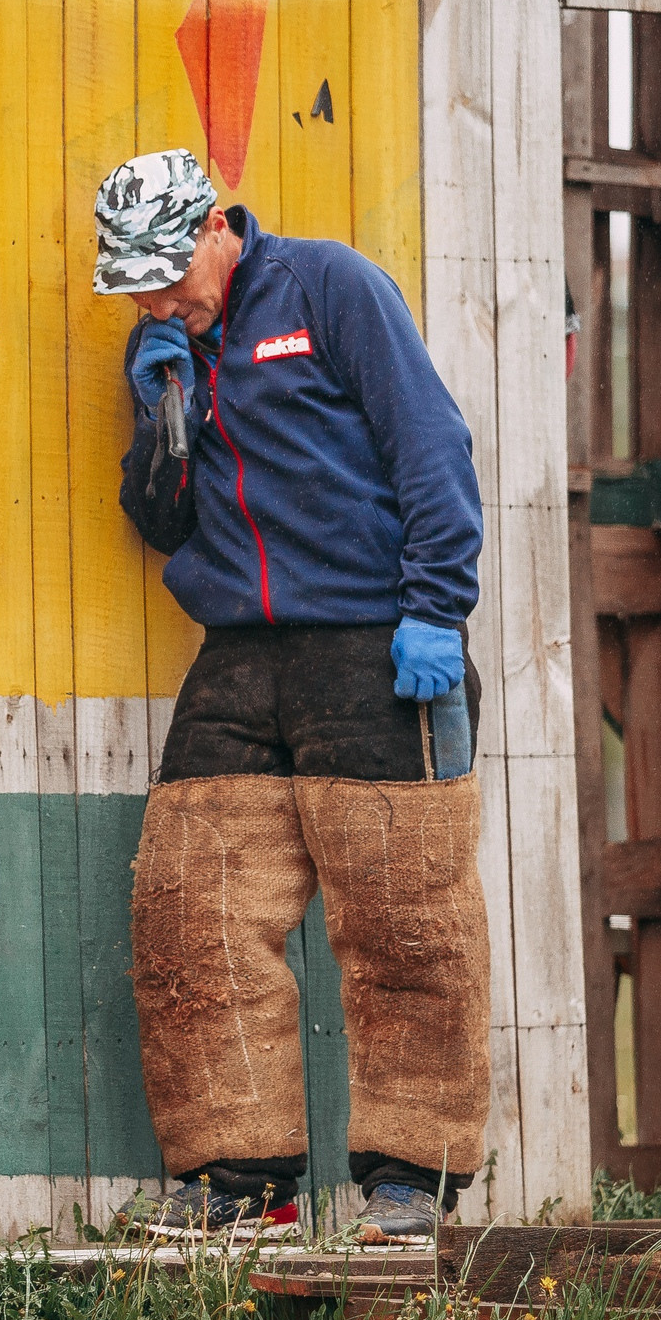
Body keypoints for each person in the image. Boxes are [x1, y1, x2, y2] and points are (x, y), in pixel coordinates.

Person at [92, 148, 491, 1244]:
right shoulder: (165, 346)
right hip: (239, 648)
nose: (158, 298)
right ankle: (237, 1179)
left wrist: (435, 606)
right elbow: (163, 523)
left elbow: (431, 447)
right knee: (189, 910)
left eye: (169, 274)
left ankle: (413, 1182)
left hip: (377, 634)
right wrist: (163, 416)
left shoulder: (328, 287)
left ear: (220, 224)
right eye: (138, 286)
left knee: (405, 919)